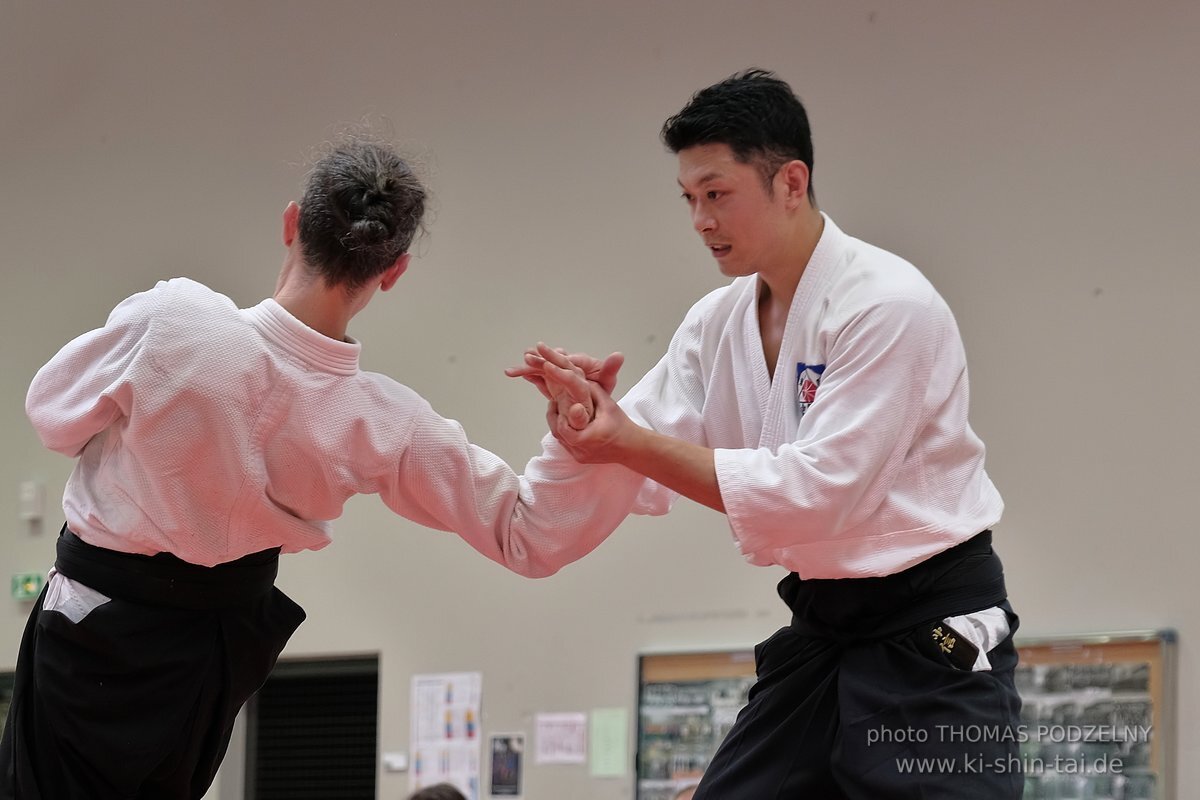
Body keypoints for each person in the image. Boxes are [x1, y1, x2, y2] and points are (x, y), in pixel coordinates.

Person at [0, 137, 628, 800]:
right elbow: (529, 533)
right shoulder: (382, 420)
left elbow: (50, 415)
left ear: (292, 221)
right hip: (210, 656)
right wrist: (577, 438)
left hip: (93, 623)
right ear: (393, 272)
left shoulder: (173, 320)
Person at [510, 70, 1022, 798]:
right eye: (689, 200)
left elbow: (817, 495)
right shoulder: (715, 324)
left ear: (790, 181)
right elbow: (633, 454)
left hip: (932, 630)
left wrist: (624, 442)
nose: (700, 220)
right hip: (823, 628)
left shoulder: (887, 304)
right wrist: (583, 425)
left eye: (717, 194)